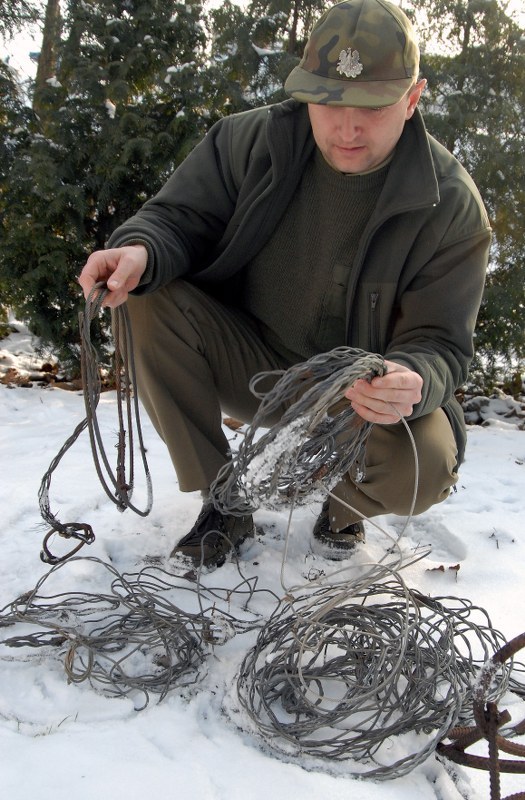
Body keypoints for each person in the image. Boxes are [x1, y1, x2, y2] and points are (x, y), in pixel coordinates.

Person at [79, 0, 491, 568]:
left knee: (427, 464)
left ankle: (345, 510)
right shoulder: (249, 143)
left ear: (413, 98)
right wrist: (139, 250)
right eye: (328, 102)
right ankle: (222, 499)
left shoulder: (451, 206)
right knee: (147, 295)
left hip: (359, 399)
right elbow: (177, 219)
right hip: (253, 366)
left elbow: (441, 343)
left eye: (371, 107)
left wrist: (413, 376)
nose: (347, 127)